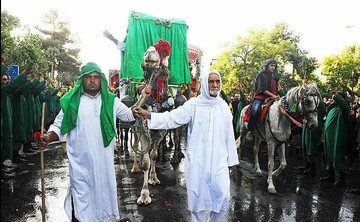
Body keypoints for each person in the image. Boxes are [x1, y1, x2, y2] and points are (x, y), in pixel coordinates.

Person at [134, 70, 239, 222]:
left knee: (222, 196)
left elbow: (229, 136)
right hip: (198, 160)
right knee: (198, 200)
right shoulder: (194, 105)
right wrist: (150, 115)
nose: (215, 85)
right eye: (211, 82)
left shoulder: (223, 107)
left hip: (219, 161)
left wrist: (232, 161)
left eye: (217, 81)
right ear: (205, 84)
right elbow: (172, 117)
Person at [36, 62, 136, 221]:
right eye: (88, 77)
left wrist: (145, 96)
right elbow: (58, 126)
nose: (92, 80)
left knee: (104, 199)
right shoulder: (71, 101)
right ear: (82, 80)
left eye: (96, 77)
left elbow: (130, 115)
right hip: (81, 165)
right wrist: (47, 138)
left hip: (104, 164)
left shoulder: (111, 100)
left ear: (101, 80)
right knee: (82, 202)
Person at [320, 89, 350, 187]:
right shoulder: (332, 109)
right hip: (328, 138)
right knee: (328, 156)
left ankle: (342, 179)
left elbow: (344, 105)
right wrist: (323, 135)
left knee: (337, 156)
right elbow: (325, 124)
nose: (332, 98)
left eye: (335, 97)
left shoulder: (344, 110)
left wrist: (337, 95)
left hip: (337, 138)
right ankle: (331, 176)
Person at [247, 59, 280, 137]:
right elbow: (263, 90)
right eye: (271, 65)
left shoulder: (275, 78)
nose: (273, 67)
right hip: (260, 97)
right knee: (255, 110)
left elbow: (276, 90)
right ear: (267, 66)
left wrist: (277, 95)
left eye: (274, 66)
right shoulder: (262, 75)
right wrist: (273, 95)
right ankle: (250, 131)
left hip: (273, 98)